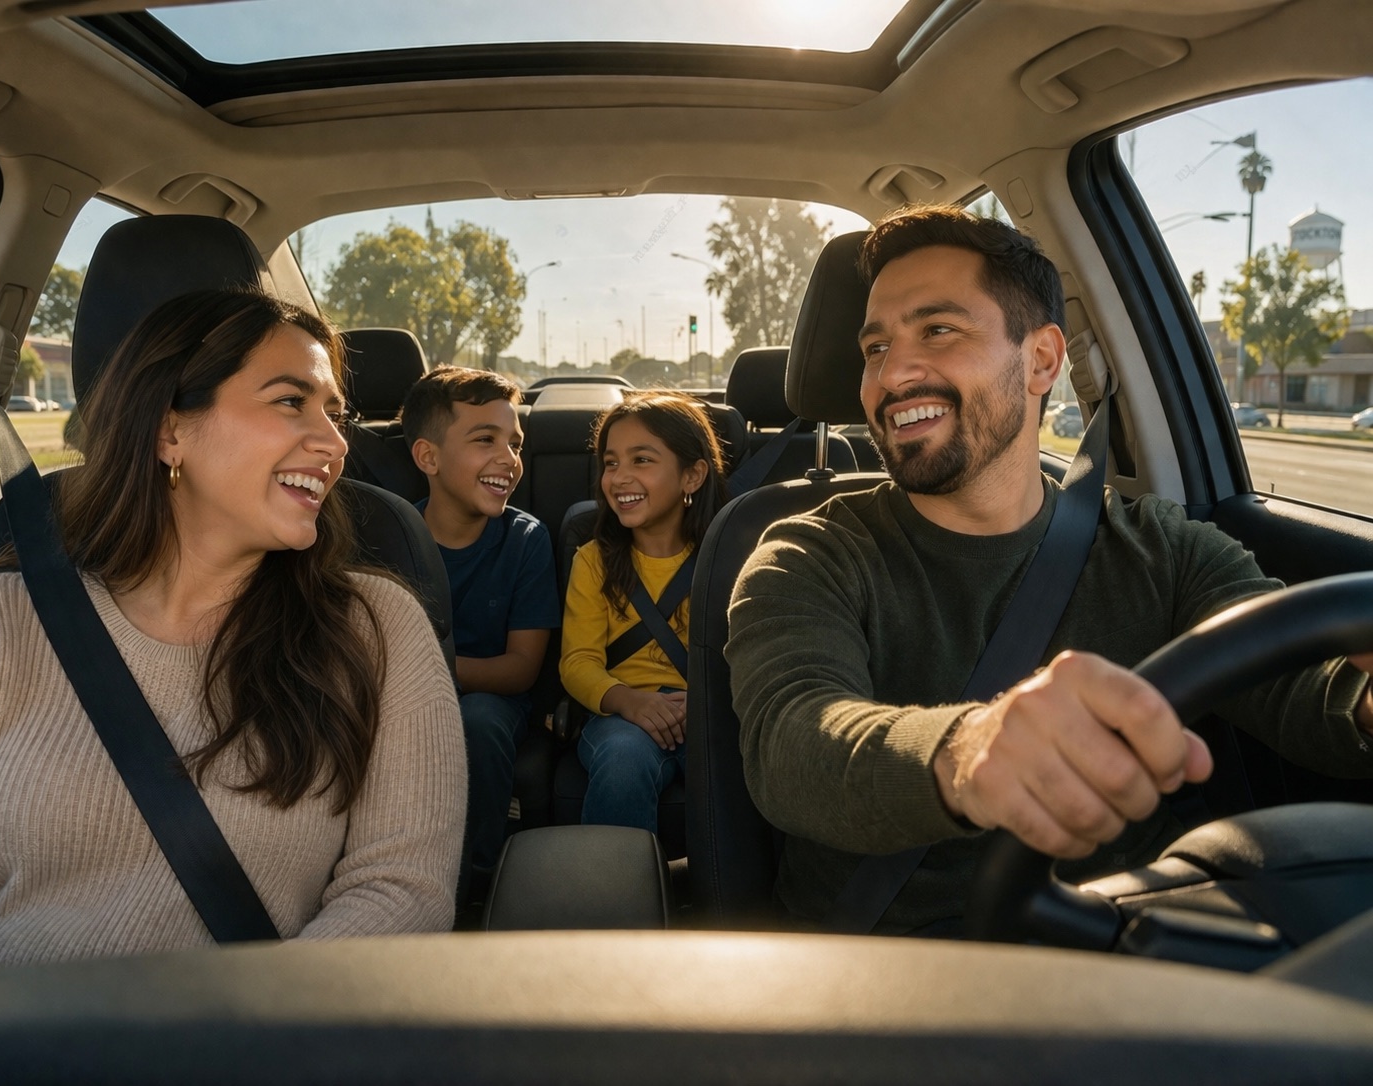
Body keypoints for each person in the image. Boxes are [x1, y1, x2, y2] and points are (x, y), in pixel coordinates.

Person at [725, 204, 1373, 935]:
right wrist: (969, 750)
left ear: (1041, 360)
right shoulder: (807, 554)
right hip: (894, 967)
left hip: (1125, 938)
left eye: (938, 331)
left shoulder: (1161, 548)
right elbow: (792, 742)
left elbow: (1306, 690)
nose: (891, 374)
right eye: (876, 347)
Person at [0, 288, 467, 975]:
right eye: (290, 401)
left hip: (246, 1027)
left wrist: (242, 1024)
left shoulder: (378, 631)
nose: (336, 444)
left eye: (336, 414)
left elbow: (402, 890)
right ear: (169, 430)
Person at [403, 367, 558, 881]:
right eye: (485, 440)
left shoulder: (525, 540)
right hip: (400, 696)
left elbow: (520, 670)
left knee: (480, 719)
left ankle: (475, 876)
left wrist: (428, 670)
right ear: (428, 457)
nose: (508, 459)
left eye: (515, 444)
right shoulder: (396, 538)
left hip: (494, 700)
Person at [561, 391, 728, 833]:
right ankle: (612, 877)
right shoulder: (593, 561)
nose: (620, 477)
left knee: (735, 760)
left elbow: (748, 655)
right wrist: (630, 701)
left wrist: (708, 702)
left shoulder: (727, 558)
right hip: (621, 715)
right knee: (624, 757)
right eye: (610, 463)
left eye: (642, 460)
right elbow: (578, 662)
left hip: (708, 711)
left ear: (692, 476)